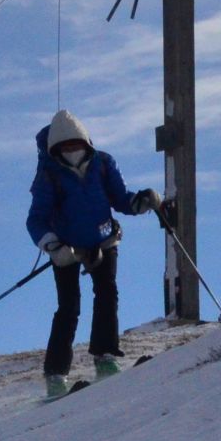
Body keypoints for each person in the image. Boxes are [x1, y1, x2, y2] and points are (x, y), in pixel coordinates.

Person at [26, 110, 159, 398]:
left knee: (107, 292)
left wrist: (141, 202)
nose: (72, 150)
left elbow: (120, 198)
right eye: (66, 146)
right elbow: (36, 220)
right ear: (55, 148)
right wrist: (53, 247)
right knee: (69, 307)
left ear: (86, 142)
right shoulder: (49, 175)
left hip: (104, 240)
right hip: (66, 249)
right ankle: (56, 375)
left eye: (76, 143)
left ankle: (105, 356)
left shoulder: (103, 164)